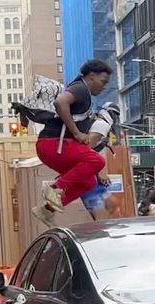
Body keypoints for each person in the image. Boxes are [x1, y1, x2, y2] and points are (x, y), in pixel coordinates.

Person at [31, 59, 113, 227]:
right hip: (53, 144)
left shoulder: (82, 91)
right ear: (91, 76)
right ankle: (55, 189)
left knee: (89, 182)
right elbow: (60, 102)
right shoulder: (81, 88)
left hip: (51, 148)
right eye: (103, 81)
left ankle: (47, 210)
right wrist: (76, 132)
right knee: (97, 161)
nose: (104, 86)